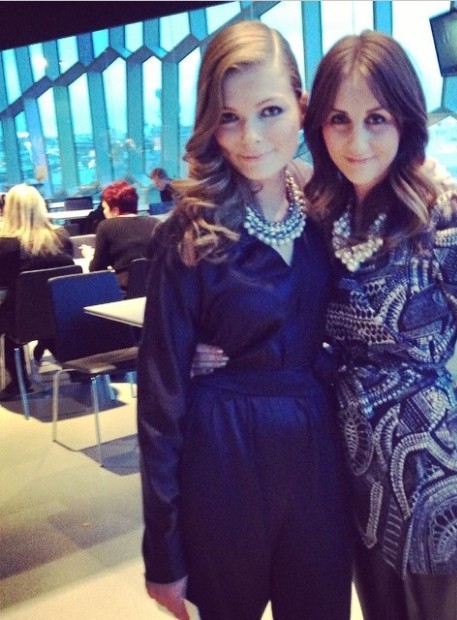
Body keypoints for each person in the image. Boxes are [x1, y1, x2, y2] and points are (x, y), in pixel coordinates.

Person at [137, 20, 352, 620]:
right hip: (223, 456)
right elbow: (159, 403)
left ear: (302, 106)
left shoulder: (325, 212)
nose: (250, 138)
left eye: (270, 111)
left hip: (315, 451)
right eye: (229, 117)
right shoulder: (189, 234)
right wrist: (163, 552)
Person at [301, 31, 457, 620]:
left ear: (405, 120)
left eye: (377, 118)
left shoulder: (450, 216)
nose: (357, 141)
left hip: (434, 471)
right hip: (352, 470)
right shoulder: (321, 218)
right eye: (339, 120)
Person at [0, 184, 74, 401]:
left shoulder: (5, 246)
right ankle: (73, 365)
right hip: (61, 314)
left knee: (11, 314)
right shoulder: (61, 237)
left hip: (20, 321)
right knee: (42, 316)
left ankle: (17, 382)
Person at [84, 180, 159, 291]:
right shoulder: (156, 223)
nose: (104, 212)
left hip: (125, 292)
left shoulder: (106, 226)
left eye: (105, 208)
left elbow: (96, 269)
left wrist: (90, 257)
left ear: (115, 210)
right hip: (157, 290)